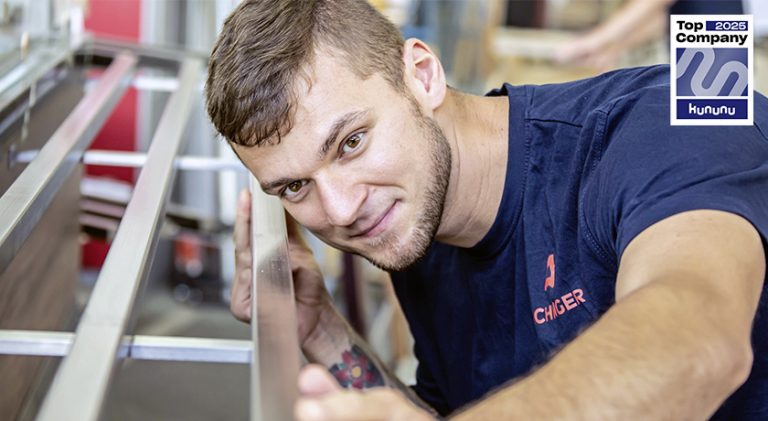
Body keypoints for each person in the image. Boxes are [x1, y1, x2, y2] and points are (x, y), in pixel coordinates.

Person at [205, 0, 768, 419]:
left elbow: (700, 342)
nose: (342, 209)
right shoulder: (418, 233)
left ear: (422, 75)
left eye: (351, 142)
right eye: (295, 187)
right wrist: (322, 329)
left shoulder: (666, 124)